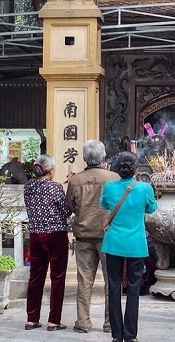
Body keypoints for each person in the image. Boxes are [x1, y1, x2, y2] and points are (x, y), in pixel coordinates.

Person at [100, 152, 157, 342]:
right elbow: (152, 208)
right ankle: (131, 335)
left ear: (117, 168)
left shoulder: (109, 187)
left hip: (113, 243)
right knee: (133, 288)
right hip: (136, 244)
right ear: (136, 169)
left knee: (114, 287)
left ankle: (117, 335)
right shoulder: (144, 188)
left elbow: (104, 204)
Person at [66, 139, 118, 334]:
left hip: (84, 235)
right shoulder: (114, 178)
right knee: (111, 281)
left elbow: (71, 206)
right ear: (103, 157)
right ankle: (110, 323)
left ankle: (83, 322)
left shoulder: (76, 180)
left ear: (84, 158)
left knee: (84, 281)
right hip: (108, 236)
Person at [23, 154, 71, 331]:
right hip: (55, 235)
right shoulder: (55, 187)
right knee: (57, 278)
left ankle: (32, 318)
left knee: (35, 276)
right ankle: (54, 320)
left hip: (35, 235)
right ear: (51, 171)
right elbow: (66, 212)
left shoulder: (29, 186)